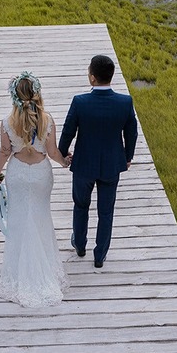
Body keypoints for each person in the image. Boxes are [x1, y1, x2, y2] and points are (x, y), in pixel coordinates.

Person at [0, 71, 72, 307]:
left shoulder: (7, 122)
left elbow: (5, 151)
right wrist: (65, 162)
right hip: (40, 174)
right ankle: (44, 266)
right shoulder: (47, 120)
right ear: (37, 93)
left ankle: (19, 270)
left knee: (19, 219)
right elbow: (54, 152)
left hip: (17, 174)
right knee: (41, 217)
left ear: (14, 96)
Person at [58, 54, 138, 269]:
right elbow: (131, 133)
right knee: (106, 211)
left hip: (84, 164)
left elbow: (68, 132)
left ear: (92, 78)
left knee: (81, 205)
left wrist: (63, 153)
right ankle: (100, 255)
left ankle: (80, 244)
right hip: (112, 165)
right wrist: (127, 157)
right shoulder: (124, 102)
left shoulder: (80, 102)